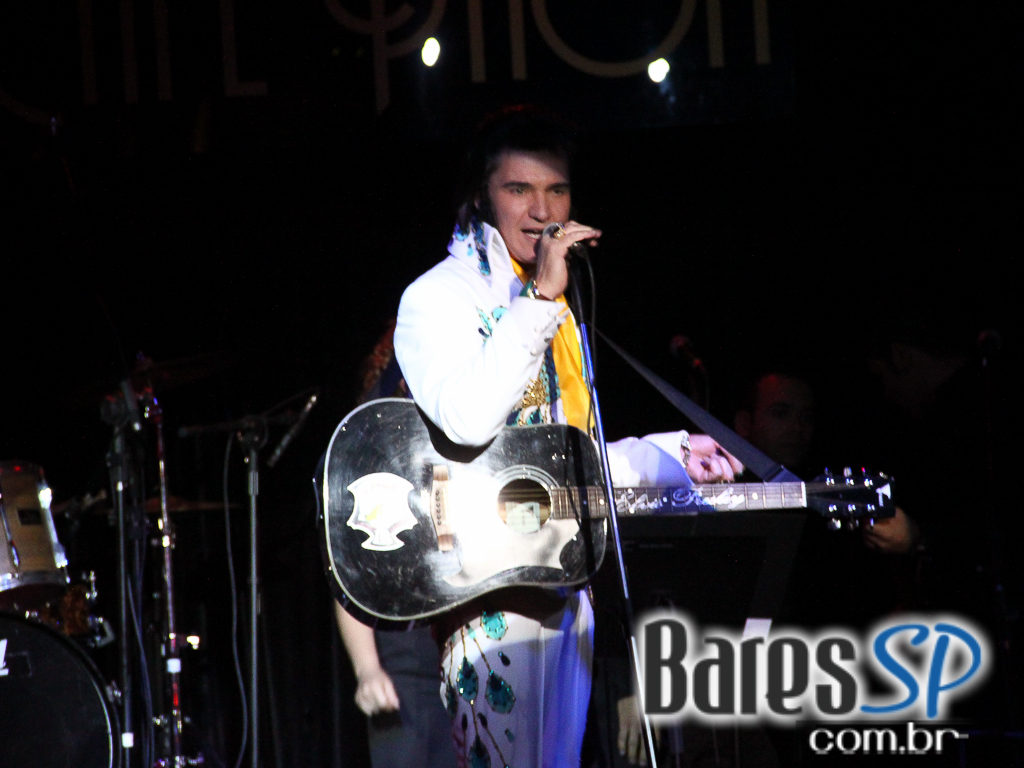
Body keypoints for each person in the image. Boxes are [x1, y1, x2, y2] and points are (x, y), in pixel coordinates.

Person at [391, 107, 742, 768]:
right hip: (486, 601)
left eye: (556, 189)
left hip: (565, 585)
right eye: (518, 189)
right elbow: (468, 421)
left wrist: (666, 454)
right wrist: (539, 303)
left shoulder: (553, 307)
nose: (541, 210)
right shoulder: (437, 298)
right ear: (481, 194)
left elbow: (561, 469)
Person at [333, 322, 456, 768]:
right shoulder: (378, 456)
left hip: (476, 654)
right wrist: (367, 669)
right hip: (408, 671)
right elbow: (351, 574)